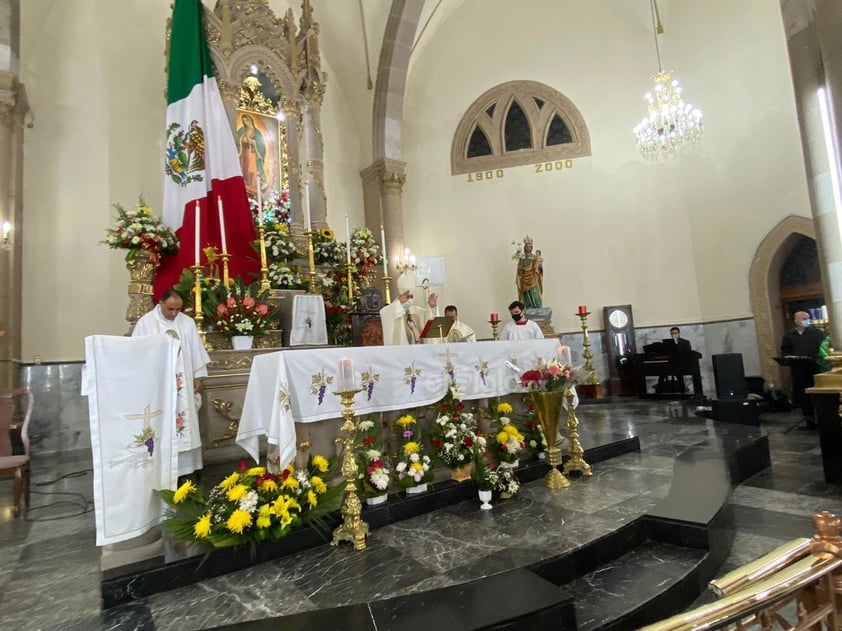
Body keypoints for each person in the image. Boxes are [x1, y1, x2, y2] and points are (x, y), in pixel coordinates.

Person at [132, 288, 211, 476]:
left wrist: (198, 375)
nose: (175, 314)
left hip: (183, 384)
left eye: (178, 309)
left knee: (186, 423)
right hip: (158, 385)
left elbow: (195, 351)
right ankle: (164, 469)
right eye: (170, 309)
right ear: (160, 303)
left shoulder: (187, 322)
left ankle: (188, 468)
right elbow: (137, 352)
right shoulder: (146, 323)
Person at [781, 310, 825, 429]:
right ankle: (809, 420)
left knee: (816, 395)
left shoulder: (817, 333)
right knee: (802, 395)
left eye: (807, 318)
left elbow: (822, 349)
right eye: (803, 318)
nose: (806, 320)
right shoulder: (789, 335)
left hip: (814, 368)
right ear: (796, 321)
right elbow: (785, 350)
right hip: (798, 370)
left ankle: (821, 420)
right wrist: (787, 357)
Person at [237, 113, 266, 198]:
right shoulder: (242, 131)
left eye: (247, 121)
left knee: (252, 171)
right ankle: (246, 188)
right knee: (245, 170)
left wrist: (252, 142)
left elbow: (262, 147)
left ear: (250, 121)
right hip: (244, 154)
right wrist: (243, 140)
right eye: (244, 121)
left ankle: (254, 189)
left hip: (253, 155)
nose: (245, 123)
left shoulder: (257, 133)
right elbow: (236, 141)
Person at [515, 236, 543, 309]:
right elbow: (519, 271)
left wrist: (540, 267)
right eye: (527, 247)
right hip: (524, 281)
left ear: (532, 248)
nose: (528, 248)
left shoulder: (534, 258)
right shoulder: (522, 259)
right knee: (526, 295)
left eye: (530, 247)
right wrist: (520, 269)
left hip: (533, 279)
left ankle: (537, 308)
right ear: (524, 248)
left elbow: (539, 270)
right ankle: (528, 308)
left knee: (535, 293)